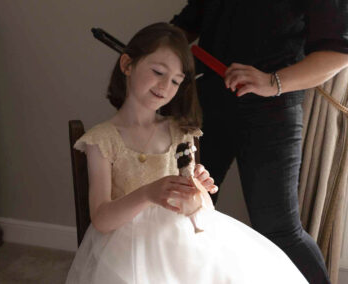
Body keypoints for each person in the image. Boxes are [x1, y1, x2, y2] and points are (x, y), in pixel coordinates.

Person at [66, 22, 308, 283]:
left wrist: (198, 189)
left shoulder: (179, 132)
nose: (164, 86)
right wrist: (148, 193)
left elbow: (196, 210)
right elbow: (101, 219)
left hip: (180, 240)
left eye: (175, 81)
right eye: (158, 72)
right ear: (127, 65)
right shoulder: (102, 139)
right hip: (126, 248)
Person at [170, 1, 348, 283]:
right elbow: (184, 27)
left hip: (272, 112)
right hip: (206, 102)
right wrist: (148, 51)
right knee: (186, 213)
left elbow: (339, 53)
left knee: (278, 229)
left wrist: (272, 81)